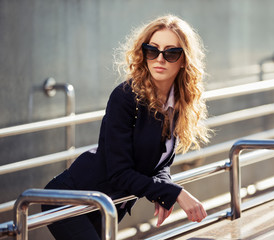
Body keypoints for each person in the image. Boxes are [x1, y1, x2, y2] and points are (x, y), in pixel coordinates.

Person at [42, 14, 211, 240]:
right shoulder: (126, 97)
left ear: (183, 60)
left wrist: (163, 191)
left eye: (171, 53)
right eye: (153, 50)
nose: (160, 58)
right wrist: (174, 193)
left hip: (106, 203)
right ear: (144, 53)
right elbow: (119, 172)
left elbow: (159, 162)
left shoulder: (176, 102)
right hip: (70, 199)